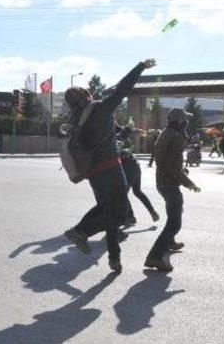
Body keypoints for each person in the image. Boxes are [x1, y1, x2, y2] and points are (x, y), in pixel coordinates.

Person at [63, 59, 156, 273]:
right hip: (111, 169)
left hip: (94, 175)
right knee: (120, 214)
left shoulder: (75, 120)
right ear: (87, 95)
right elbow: (122, 88)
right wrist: (140, 66)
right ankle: (81, 231)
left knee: (109, 213)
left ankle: (114, 258)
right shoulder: (98, 110)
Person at [144, 108, 201, 272]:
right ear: (181, 122)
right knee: (174, 223)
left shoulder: (166, 133)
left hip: (162, 181)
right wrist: (190, 183)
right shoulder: (176, 137)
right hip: (169, 183)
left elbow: (168, 162)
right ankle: (154, 256)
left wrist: (180, 171)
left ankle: (170, 242)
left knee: (175, 210)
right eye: (186, 121)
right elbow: (172, 167)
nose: (187, 123)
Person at [115, 123, 160, 225]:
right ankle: (152, 212)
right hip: (135, 167)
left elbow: (118, 153)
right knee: (137, 191)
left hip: (128, 169)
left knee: (122, 194)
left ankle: (130, 217)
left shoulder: (118, 138)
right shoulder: (124, 136)